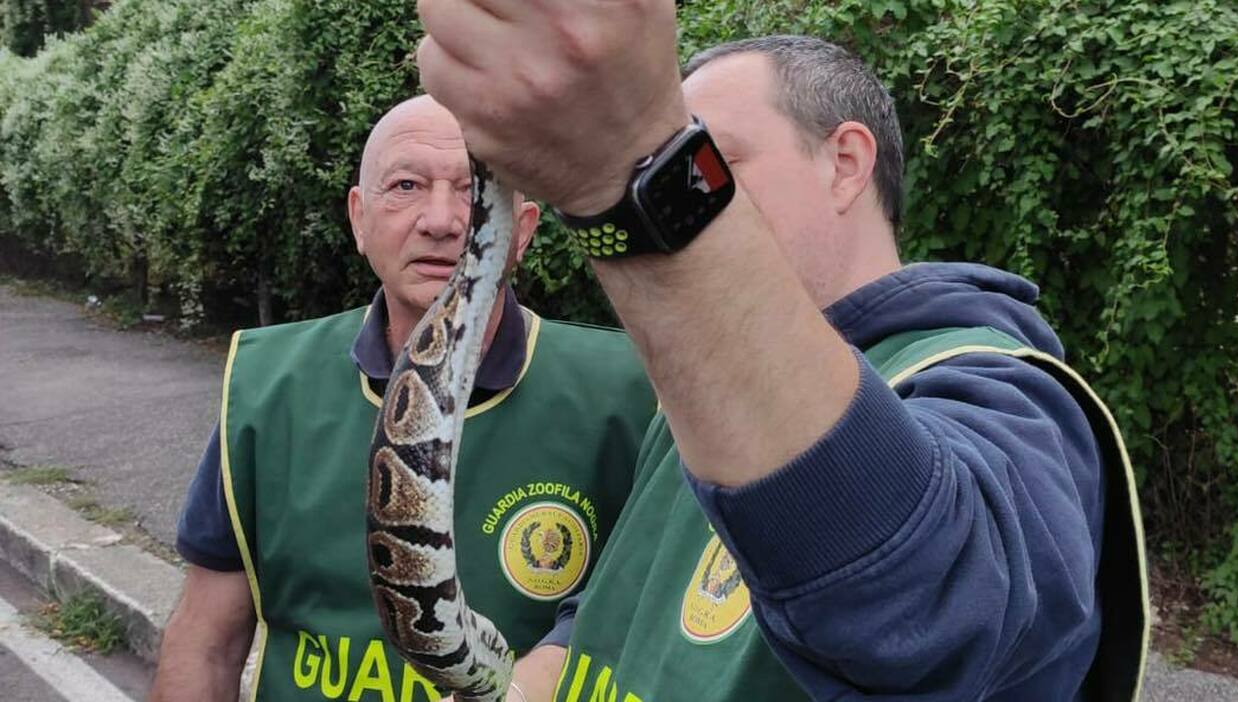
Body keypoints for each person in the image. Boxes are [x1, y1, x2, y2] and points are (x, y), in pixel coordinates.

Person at [416, 5, 1148, 701]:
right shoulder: (694, 401)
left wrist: (630, 166)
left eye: (708, 160)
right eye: (681, 163)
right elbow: (614, 608)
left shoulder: (999, 390)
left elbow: (934, 621)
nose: (690, 184)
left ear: (845, 163)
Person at [148, 95, 658, 702]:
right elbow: (206, 640)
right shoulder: (266, 386)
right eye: (407, 185)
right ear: (360, 219)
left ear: (520, 233)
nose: (441, 220)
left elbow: (648, 616)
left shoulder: (631, 391)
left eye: (471, 192)